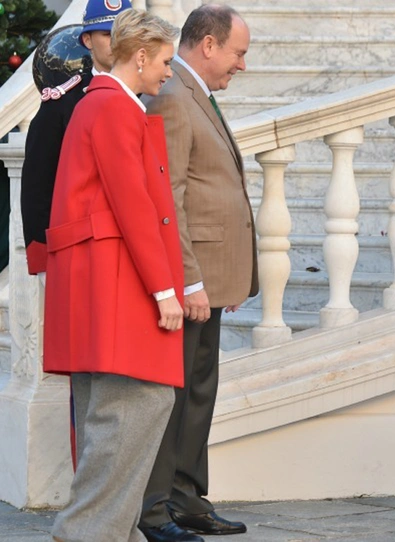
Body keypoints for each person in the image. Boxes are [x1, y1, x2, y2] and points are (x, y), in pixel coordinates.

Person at [43, 9, 184, 542]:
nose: (170, 72)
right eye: (166, 61)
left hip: (108, 280)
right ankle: (86, 533)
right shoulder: (111, 107)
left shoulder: (104, 105)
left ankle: (104, 532)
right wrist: (165, 290)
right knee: (132, 409)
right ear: (141, 56)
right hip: (117, 282)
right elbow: (134, 206)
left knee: (118, 414)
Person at [140, 5, 258, 542]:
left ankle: (189, 499)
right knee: (176, 393)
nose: (241, 65)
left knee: (200, 391)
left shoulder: (195, 93)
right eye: (237, 53)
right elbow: (170, 200)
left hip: (210, 279)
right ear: (207, 45)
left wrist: (224, 275)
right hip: (189, 282)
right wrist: (190, 280)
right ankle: (156, 508)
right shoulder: (170, 96)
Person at [20, 0, 132, 278]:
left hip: (136, 249)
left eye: (123, 34)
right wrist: (44, 261)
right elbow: (38, 185)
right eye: (107, 34)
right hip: (84, 253)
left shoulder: (148, 96)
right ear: (87, 40)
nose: (116, 42)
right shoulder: (62, 103)